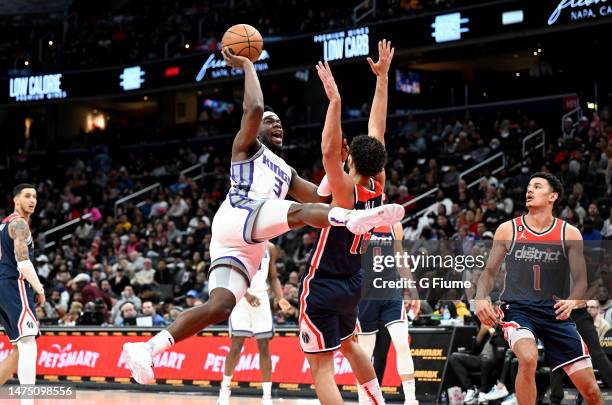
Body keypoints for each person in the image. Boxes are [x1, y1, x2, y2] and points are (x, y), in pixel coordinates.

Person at [122, 48, 404, 384]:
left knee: (219, 306)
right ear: (256, 130)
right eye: (272, 123)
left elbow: (320, 197)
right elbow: (254, 107)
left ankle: (147, 349)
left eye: (280, 123)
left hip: (247, 245)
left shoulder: (286, 170)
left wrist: (338, 167)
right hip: (240, 213)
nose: (278, 125)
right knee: (299, 213)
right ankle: (350, 220)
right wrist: (247, 64)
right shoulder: (247, 147)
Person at [299, 40, 394, 405]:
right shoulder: (377, 185)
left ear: (350, 160)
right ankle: (376, 402)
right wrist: (381, 79)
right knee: (351, 345)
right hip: (354, 282)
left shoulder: (346, 193)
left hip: (324, 282)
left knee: (321, 370)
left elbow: (326, 151)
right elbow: (378, 128)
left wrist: (335, 101)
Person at [475, 172, 603, 405]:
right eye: (528, 187)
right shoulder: (508, 229)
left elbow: (582, 281)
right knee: (528, 357)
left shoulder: (569, 233)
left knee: (592, 392)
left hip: (555, 313)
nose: (529, 190)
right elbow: (489, 273)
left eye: (537, 186)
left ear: (552, 196)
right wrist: (480, 296)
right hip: (518, 310)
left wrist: (574, 301)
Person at [218, 242, 290, 405]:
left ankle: (266, 396)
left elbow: (273, 277)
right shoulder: (238, 245)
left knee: (264, 346)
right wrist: (247, 295)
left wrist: (280, 298)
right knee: (236, 346)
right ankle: (225, 389)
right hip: (241, 298)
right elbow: (232, 277)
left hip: (262, 298)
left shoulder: (270, 248)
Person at [356, 222, 420, 405]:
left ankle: (410, 399)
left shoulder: (394, 225)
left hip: (391, 291)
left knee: (402, 343)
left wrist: (412, 289)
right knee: (365, 352)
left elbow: (400, 258)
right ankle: (364, 400)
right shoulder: (358, 221)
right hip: (365, 294)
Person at [0, 184, 45, 388]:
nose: (32, 200)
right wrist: (40, 289)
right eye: (27, 196)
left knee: (20, 348)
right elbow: (23, 262)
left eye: (35, 196)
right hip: (14, 284)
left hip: (3, 287)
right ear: (16, 200)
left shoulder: (3, 225)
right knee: (29, 344)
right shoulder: (19, 224)